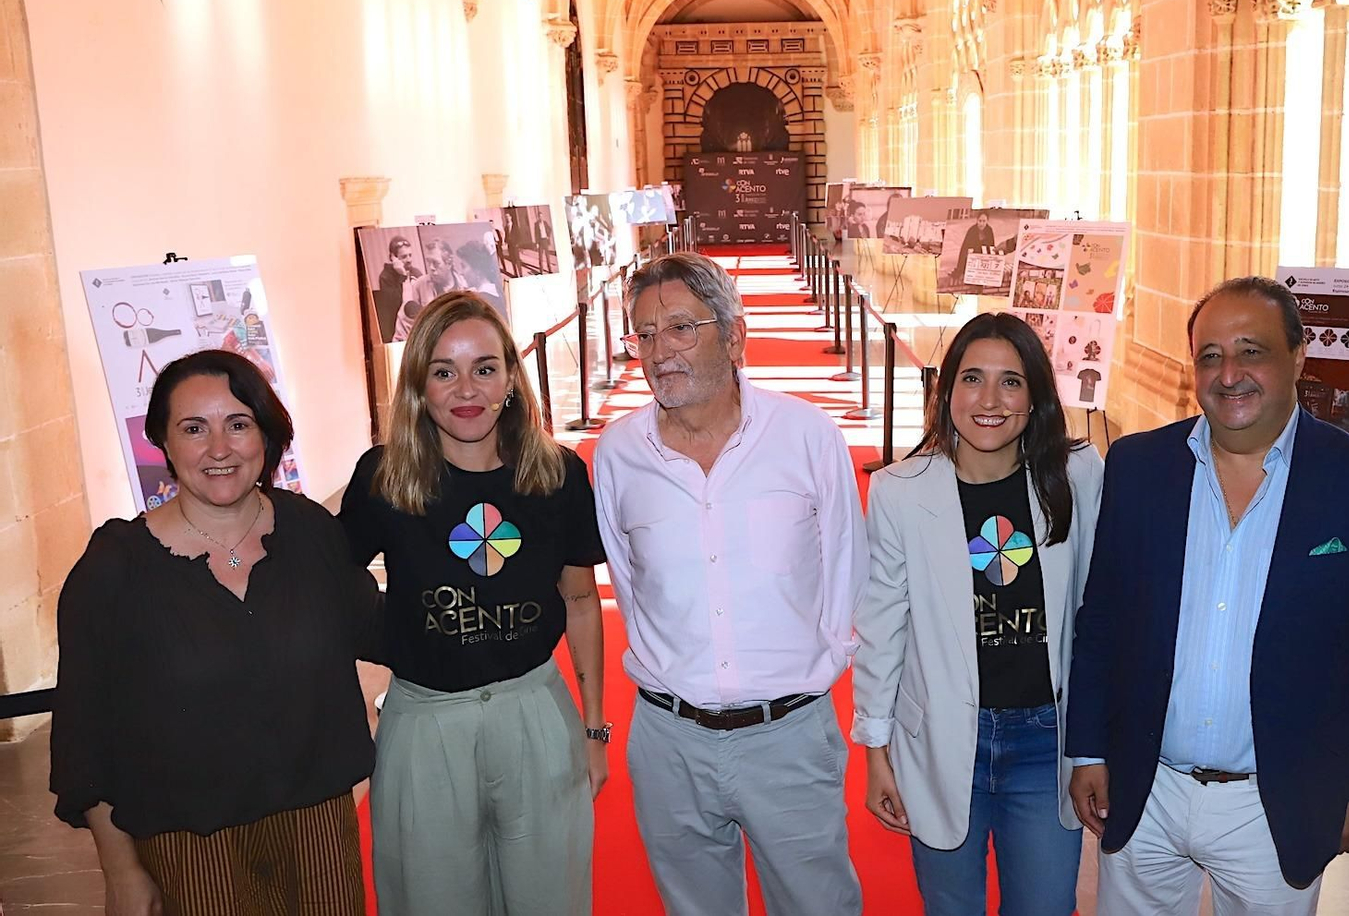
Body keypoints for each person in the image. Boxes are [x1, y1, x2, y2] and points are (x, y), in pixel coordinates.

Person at [1065, 276, 1349, 915]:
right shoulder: (1140, 466)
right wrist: (1089, 748)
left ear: (1298, 357)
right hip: (1146, 788)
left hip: (1275, 803)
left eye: (1251, 351)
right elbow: (1104, 621)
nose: (1229, 374)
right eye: (1210, 355)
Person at [51, 350, 381, 916]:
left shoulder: (311, 535)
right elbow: (85, 736)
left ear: (266, 433)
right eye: (194, 429)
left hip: (319, 832)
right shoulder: (115, 569)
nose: (219, 449)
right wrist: (123, 871)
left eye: (238, 424)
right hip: (191, 849)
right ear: (163, 440)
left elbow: (383, 635)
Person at [592, 252, 867, 916]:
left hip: (789, 736)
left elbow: (847, 575)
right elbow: (630, 587)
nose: (661, 351)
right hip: (670, 741)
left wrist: (808, 676)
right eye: (645, 333)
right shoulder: (618, 454)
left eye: (682, 328)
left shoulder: (805, 435)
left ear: (735, 333)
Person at [340, 291, 608, 916]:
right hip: (425, 722)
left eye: (485, 368)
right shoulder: (383, 478)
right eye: (444, 371)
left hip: (534, 713)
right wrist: (388, 639)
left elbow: (580, 601)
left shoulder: (557, 475)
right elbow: (331, 583)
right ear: (419, 386)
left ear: (512, 379)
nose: (467, 389)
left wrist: (593, 730)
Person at [852, 313, 1104, 916]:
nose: (989, 400)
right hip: (939, 738)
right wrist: (875, 750)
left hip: (1046, 742)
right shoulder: (900, 491)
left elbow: (1097, 614)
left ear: (1036, 395)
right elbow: (882, 625)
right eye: (972, 379)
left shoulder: (1076, 474)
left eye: (1011, 382)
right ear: (946, 391)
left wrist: (1097, 747)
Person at [377, 234, 420, 343]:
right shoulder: (386, 277)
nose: (409, 259)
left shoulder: (416, 272)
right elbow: (397, 304)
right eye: (404, 257)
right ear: (393, 258)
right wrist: (403, 276)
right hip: (398, 329)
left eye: (410, 255)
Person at [953, 211, 998, 281]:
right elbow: (964, 248)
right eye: (980, 221)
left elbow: (991, 246)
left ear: (987, 221)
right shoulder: (972, 230)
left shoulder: (989, 230)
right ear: (977, 220)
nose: (981, 223)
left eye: (984, 221)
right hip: (972, 256)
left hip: (983, 256)